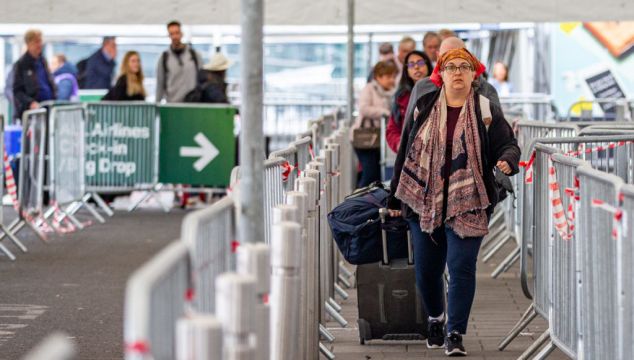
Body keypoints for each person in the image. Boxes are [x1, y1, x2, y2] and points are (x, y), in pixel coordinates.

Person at [387, 48, 520, 356]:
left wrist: (507, 161)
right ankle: (436, 317)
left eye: (464, 67)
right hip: (423, 200)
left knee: (461, 268)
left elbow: (509, 145)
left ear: (474, 75)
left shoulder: (485, 109)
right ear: (441, 74)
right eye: (451, 67)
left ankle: (455, 332)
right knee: (427, 271)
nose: (458, 72)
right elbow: (405, 149)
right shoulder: (424, 105)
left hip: (470, 202)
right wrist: (394, 195)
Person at [404, 37, 500, 130]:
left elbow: (499, 132)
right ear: (439, 58)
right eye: (447, 58)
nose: (453, 65)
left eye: (458, 57)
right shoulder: (422, 87)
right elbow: (408, 129)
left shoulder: (486, 89)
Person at [353, 61, 398, 187]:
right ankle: (357, 202)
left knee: (376, 174)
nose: (392, 80)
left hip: (379, 138)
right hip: (365, 137)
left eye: (393, 76)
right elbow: (364, 108)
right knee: (370, 173)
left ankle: (370, 201)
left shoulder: (392, 93)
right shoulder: (369, 89)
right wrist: (384, 112)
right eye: (388, 76)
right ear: (378, 77)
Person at [386, 50, 431, 153]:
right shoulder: (401, 97)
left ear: (428, 65)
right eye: (411, 64)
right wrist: (400, 145)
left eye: (420, 63)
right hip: (408, 153)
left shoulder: (439, 91)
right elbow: (392, 129)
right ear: (407, 71)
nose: (416, 67)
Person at [12, 29, 56, 120]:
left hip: (48, 107)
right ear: (28, 44)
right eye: (36, 42)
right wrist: (30, 103)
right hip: (33, 112)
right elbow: (17, 91)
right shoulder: (21, 64)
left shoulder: (43, 61)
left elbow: (49, 82)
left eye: (40, 41)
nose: (39, 45)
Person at [156, 20, 202, 103]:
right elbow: (160, 84)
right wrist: (157, 104)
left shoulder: (194, 55)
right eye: (171, 34)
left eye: (177, 33)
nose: (174, 36)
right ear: (169, 36)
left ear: (181, 34)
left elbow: (202, 79)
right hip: (173, 105)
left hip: (192, 104)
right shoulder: (164, 58)